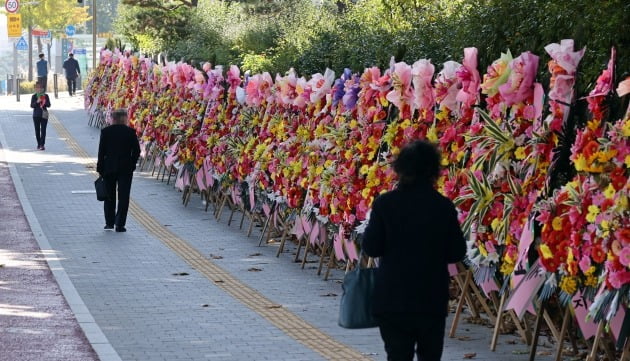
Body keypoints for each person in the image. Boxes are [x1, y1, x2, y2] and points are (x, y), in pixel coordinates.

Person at [362, 140, 466, 361]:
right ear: (434, 171)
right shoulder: (443, 206)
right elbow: (456, 252)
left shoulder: (385, 204)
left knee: (397, 355)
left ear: (400, 169)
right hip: (430, 299)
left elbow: (371, 247)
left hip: (392, 298)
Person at [96, 109, 140, 232]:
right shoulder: (130, 132)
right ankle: (120, 224)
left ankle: (109, 222)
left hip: (109, 167)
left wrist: (100, 167)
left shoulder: (106, 132)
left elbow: (101, 151)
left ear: (113, 118)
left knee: (109, 195)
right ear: (125, 118)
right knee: (124, 196)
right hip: (126, 168)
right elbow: (136, 151)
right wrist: (132, 164)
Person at [30, 83, 51, 151]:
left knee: (43, 130)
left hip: (44, 115)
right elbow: (32, 105)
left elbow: (49, 105)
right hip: (36, 115)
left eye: (40, 88)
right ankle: (38, 144)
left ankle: (42, 145)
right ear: (35, 89)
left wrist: (44, 102)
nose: (38, 89)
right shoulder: (34, 96)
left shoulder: (46, 96)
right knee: (37, 130)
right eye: (37, 88)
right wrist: (37, 101)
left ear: (42, 89)